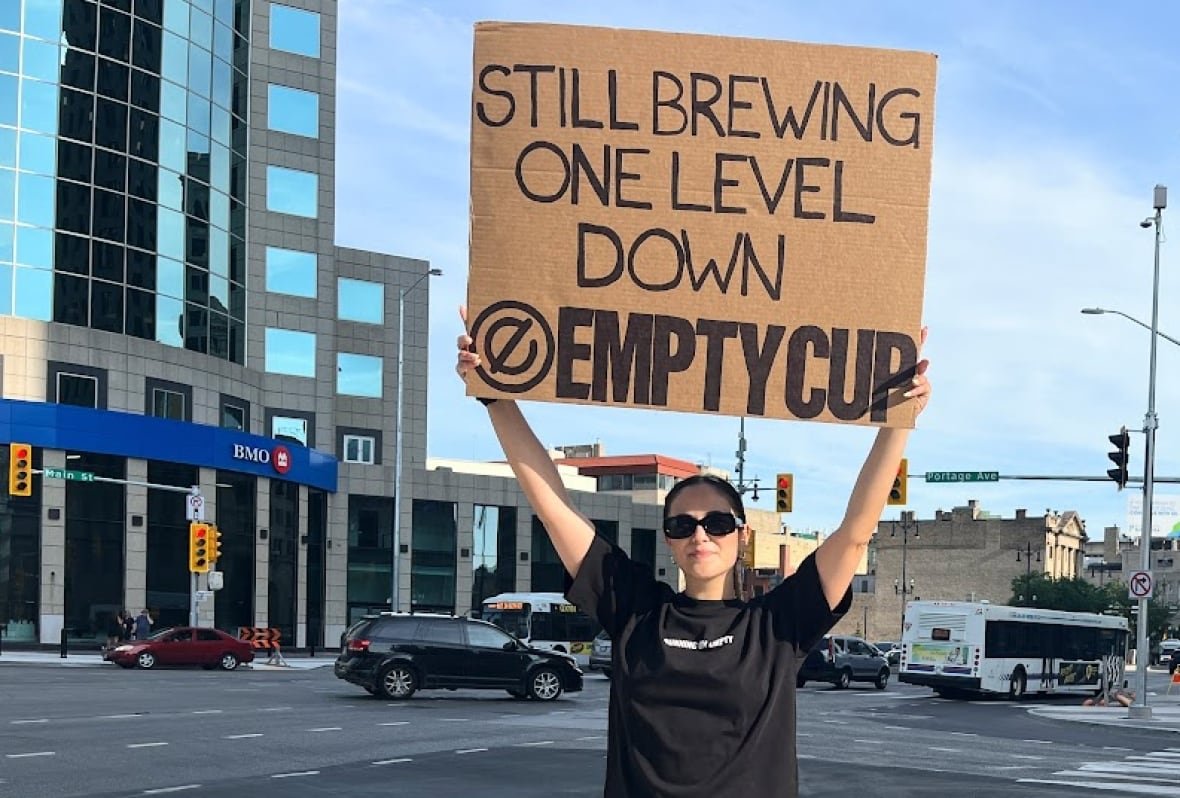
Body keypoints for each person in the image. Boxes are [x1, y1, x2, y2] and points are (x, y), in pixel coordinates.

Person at [457, 309, 931, 797]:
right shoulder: (637, 610)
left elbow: (855, 534)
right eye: (683, 524)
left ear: (741, 535)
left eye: (718, 523)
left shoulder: (777, 625)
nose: (700, 535)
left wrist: (899, 420)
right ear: (668, 538)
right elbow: (555, 509)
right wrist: (495, 397)